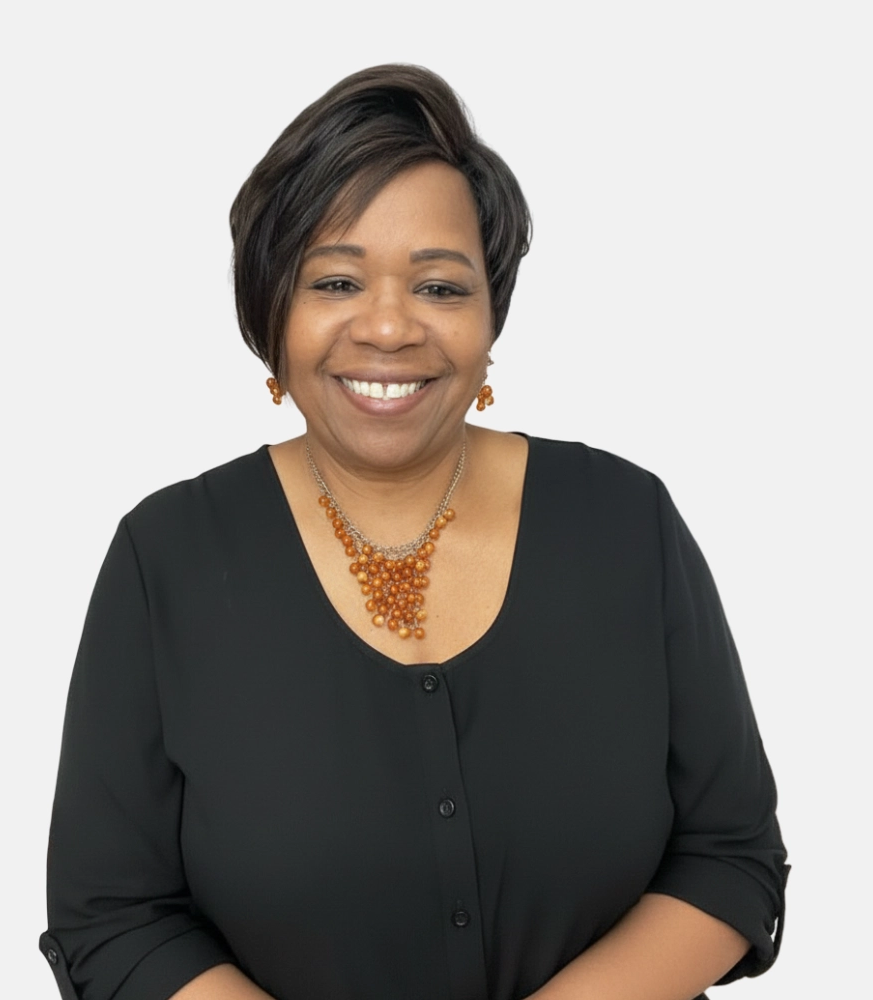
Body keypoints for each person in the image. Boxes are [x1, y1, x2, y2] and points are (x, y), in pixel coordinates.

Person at [39, 64, 789, 1000]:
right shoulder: (168, 560)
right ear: (271, 313)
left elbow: (729, 854)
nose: (389, 328)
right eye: (336, 280)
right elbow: (114, 917)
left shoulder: (625, 522)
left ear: (490, 317)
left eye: (438, 286)